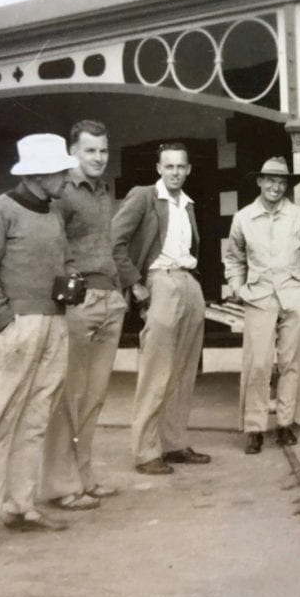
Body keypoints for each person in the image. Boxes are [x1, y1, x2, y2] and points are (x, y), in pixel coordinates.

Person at [0, 133, 78, 553]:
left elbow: (62, 263)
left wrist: (71, 284)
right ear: (39, 174)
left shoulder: (52, 213)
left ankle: (20, 506)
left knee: (35, 421)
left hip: (53, 326)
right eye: (62, 171)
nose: (67, 178)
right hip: (16, 328)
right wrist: (5, 323)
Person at [40, 120, 127, 511]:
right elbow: (50, 245)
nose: (98, 158)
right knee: (70, 395)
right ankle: (61, 485)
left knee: (95, 396)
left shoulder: (104, 193)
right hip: (80, 302)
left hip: (111, 300)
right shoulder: (61, 193)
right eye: (90, 150)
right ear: (73, 151)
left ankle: (85, 476)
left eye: (103, 151)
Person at [111, 142, 210, 475]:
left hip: (188, 282)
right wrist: (135, 284)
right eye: (169, 167)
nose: (175, 173)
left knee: (184, 370)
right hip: (160, 280)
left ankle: (174, 443)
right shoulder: (143, 196)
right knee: (157, 370)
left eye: (181, 167)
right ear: (158, 168)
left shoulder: (188, 204)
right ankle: (145, 451)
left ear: (189, 170)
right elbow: (115, 241)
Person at [223, 157, 300, 454]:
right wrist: (237, 287)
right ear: (259, 182)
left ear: (287, 186)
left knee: (291, 363)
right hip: (259, 297)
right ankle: (254, 427)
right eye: (270, 180)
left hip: (295, 297)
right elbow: (233, 258)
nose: (275, 186)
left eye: (281, 182)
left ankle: (285, 424)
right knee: (257, 364)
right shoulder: (243, 218)